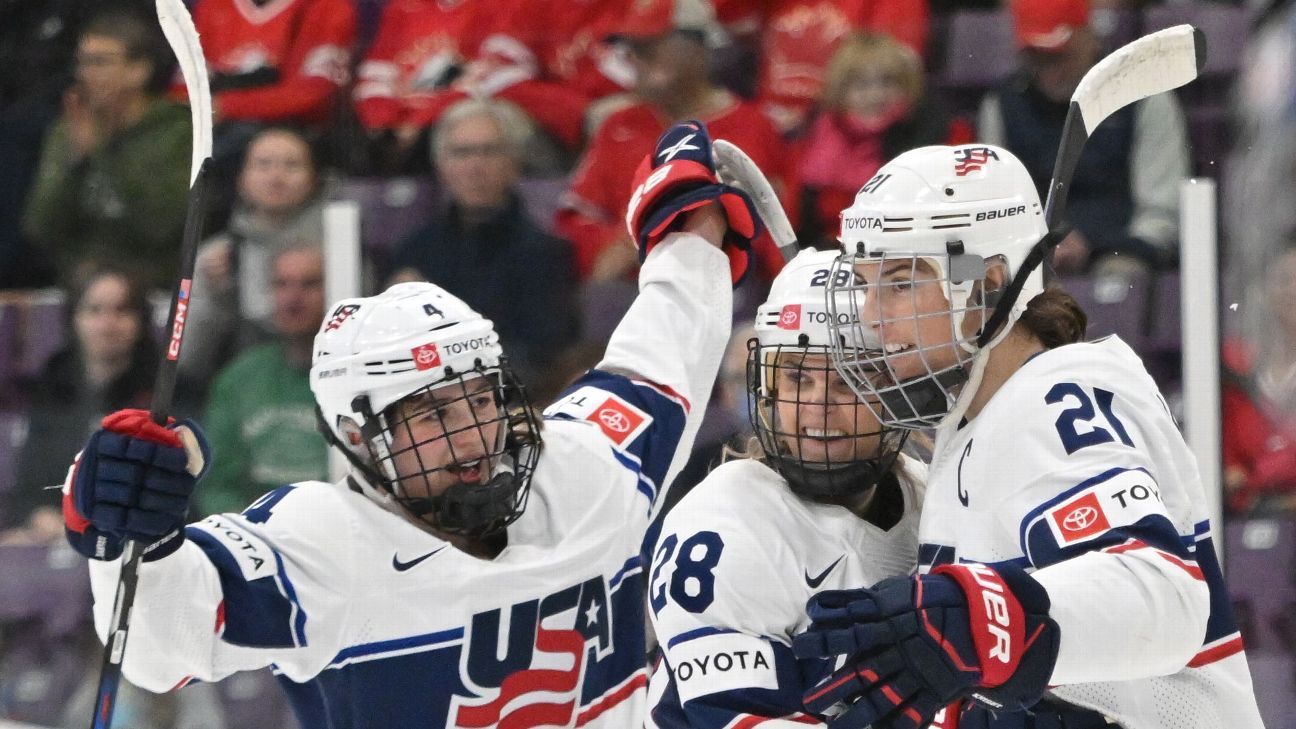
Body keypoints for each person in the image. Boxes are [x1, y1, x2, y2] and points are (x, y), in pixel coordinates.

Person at [59, 121, 765, 728]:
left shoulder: (589, 466)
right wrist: (129, 533)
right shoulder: (321, 542)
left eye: (482, 400)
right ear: (359, 436)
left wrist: (691, 229)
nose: (474, 438)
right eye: (431, 413)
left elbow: (671, 344)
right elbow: (162, 644)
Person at [788, 143, 1264, 728]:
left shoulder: (1052, 395)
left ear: (987, 285)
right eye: (863, 285)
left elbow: (1166, 594)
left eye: (898, 283)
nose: (871, 316)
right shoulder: (976, 419)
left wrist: (978, 618)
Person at [646, 249, 925, 727]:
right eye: (798, 377)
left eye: (851, 381)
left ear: (899, 392)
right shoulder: (722, 524)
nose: (816, 405)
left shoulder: (934, 498)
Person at [556, 0, 788, 284]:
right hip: (630, 289)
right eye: (631, 48)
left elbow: (774, 230)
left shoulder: (753, 127)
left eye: (649, 47)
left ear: (697, 48)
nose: (634, 59)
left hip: (722, 289)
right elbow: (576, 218)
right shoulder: (619, 125)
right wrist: (617, 248)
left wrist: (653, 238)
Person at [976, 0, 1189, 275]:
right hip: (1032, 259)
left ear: (1088, 37)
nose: (1050, 71)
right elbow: (996, 211)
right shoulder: (1002, 105)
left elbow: (1161, 213)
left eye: (1060, 55)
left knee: (1120, 274)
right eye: (1036, 58)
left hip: (1121, 251)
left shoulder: (1144, 96)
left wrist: (1097, 244)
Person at [383, 98, 579, 391]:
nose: (476, 166)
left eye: (490, 152)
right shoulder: (412, 251)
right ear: (442, 166)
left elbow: (542, 359)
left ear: (514, 163)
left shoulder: (545, 254)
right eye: (462, 153)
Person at [22, 9, 192, 291]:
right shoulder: (69, 129)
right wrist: (77, 161)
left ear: (139, 70)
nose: (85, 74)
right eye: (82, 62)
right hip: (79, 288)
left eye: (100, 63)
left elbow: (164, 226)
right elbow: (40, 228)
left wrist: (106, 151)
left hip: (157, 287)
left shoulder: (177, 131)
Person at [3, 267, 156, 540]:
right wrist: (39, 516)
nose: (108, 323)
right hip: (54, 538)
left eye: (121, 310)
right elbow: (29, 485)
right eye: (94, 310)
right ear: (74, 318)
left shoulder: (167, 394)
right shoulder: (50, 390)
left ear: (140, 320)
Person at [179, 126, 326, 391]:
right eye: (263, 164)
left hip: (324, 380)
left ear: (314, 177)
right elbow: (188, 359)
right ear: (241, 178)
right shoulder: (216, 256)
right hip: (245, 390)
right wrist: (217, 297)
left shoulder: (340, 244)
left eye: (291, 165)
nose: (276, 176)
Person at [793, 31, 971, 249]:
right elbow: (791, 225)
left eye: (888, 83)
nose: (876, 96)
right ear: (839, 91)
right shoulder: (811, 139)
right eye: (861, 85)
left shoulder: (938, 139)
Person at [197, 243, 330, 518]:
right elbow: (217, 484)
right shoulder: (239, 379)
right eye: (282, 284)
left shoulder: (360, 377)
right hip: (254, 539)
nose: (293, 298)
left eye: (309, 284)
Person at [1222, 244, 1296, 515]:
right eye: (1284, 279)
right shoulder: (1233, 365)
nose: (1293, 289)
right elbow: (1226, 465)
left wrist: (1254, 481)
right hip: (1245, 521)